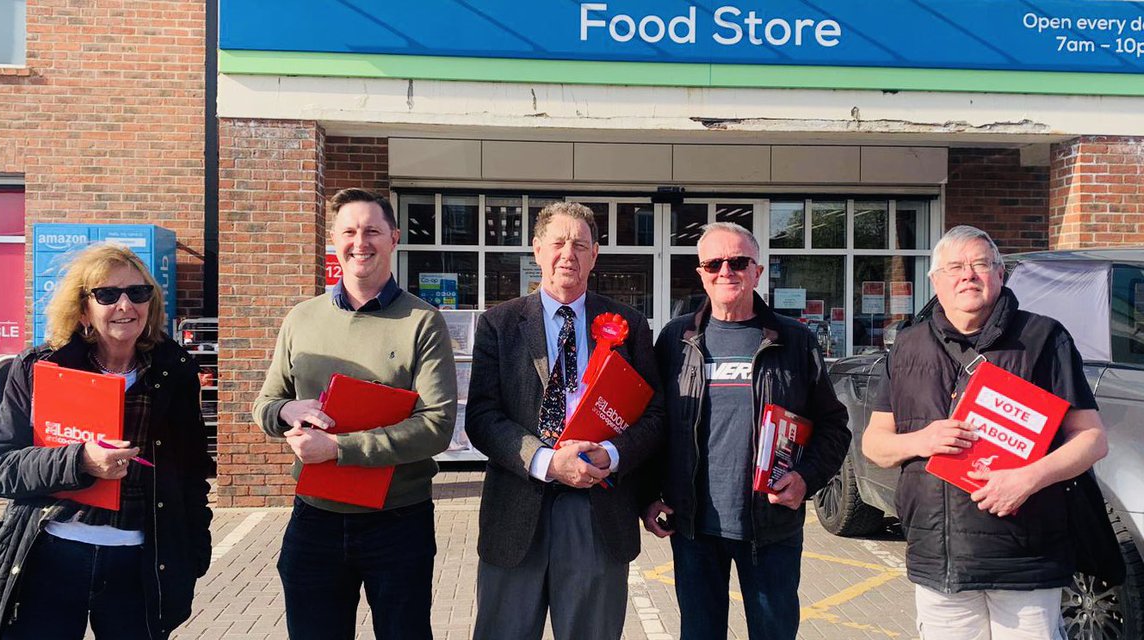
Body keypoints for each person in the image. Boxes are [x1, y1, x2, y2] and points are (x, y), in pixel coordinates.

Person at [861, 225, 1108, 640]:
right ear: (935, 279)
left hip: (1025, 556)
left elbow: (1092, 438)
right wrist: (921, 440)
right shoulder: (907, 346)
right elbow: (875, 444)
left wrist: (1028, 478)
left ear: (1000, 274)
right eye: (955, 267)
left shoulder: (1043, 338)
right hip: (939, 559)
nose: (968, 275)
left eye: (980, 265)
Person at [0, 243, 213, 640]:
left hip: (140, 564)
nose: (126, 305)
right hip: (50, 557)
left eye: (138, 292)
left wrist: (193, 553)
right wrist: (78, 461)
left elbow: (192, 472)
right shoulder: (43, 367)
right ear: (83, 309)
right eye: (108, 295)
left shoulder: (173, 371)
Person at [253, 187, 457, 640]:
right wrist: (287, 409)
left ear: (394, 238)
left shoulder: (422, 322)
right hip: (314, 518)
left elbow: (437, 426)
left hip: (398, 520)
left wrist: (337, 449)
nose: (359, 241)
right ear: (334, 239)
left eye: (372, 231)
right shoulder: (301, 319)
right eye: (349, 231)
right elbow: (264, 405)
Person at [465, 201, 663, 640]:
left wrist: (611, 455)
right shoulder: (498, 324)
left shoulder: (630, 325)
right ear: (537, 250)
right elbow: (481, 416)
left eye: (580, 243)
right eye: (558, 242)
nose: (567, 253)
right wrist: (546, 462)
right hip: (517, 508)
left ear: (595, 254)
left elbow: (655, 415)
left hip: (598, 510)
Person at [643, 222, 850, 640]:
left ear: (757, 271)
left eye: (738, 262)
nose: (726, 271)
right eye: (714, 263)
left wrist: (806, 479)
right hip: (693, 528)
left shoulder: (794, 340)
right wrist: (648, 495)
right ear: (700, 272)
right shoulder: (675, 339)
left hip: (771, 527)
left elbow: (834, 426)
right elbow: (654, 424)